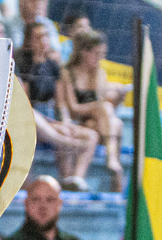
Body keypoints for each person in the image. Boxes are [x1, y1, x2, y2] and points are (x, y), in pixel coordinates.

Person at [16, 22, 97, 188]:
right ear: (29, 41)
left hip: (51, 119)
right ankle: (66, 165)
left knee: (90, 135)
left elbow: (60, 102)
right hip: (33, 119)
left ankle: (75, 179)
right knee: (63, 133)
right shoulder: (23, 64)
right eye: (38, 37)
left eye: (46, 35)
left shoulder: (53, 66)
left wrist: (65, 120)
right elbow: (25, 103)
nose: (44, 40)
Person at [57, 30, 128, 190]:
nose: (100, 58)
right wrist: (98, 106)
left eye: (102, 54)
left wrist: (117, 96)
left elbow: (103, 103)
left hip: (95, 124)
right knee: (109, 115)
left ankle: (111, 169)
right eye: (96, 53)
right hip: (77, 121)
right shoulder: (68, 72)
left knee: (114, 121)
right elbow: (73, 108)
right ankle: (113, 163)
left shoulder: (99, 73)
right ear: (84, 52)